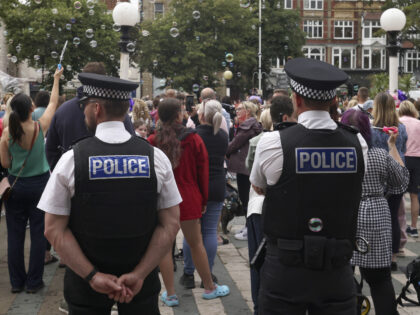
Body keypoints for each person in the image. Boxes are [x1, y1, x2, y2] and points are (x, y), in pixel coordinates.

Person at [39, 73, 181, 315]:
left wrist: (93, 277)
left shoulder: (71, 161)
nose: (82, 113)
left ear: (96, 109)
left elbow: (53, 229)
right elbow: (171, 224)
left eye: (84, 107)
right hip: (141, 286)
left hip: (85, 288)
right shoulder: (155, 158)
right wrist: (139, 274)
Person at [250, 58, 368, 314]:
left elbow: (258, 187)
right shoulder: (358, 143)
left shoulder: (273, 143)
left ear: (297, 99)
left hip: (285, 269)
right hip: (337, 267)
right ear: (333, 100)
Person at [148, 98, 229, 306]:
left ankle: (171, 293)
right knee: (196, 243)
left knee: (165, 247)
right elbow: (202, 171)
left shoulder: (153, 140)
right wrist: (203, 198)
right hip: (190, 196)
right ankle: (210, 286)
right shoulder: (193, 139)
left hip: (164, 199)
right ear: (178, 115)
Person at [0, 67, 63, 294]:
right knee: (38, 234)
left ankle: (17, 282)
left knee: (15, 236)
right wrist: (56, 79)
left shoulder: (6, 134)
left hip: (16, 187)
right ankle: (34, 282)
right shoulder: (39, 127)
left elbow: (5, 164)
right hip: (39, 186)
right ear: (31, 109)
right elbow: (54, 104)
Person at [343, 109, 408, 315]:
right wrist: (392, 146)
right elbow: (402, 180)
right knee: (380, 280)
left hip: (345, 214)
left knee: (343, 276)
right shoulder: (379, 155)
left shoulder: (339, 156)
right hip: (376, 216)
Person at [246, 96, 295, 315]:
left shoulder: (262, 141)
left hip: (258, 207)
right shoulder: (275, 141)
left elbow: (256, 183)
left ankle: (260, 307)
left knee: (259, 263)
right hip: (272, 209)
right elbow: (258, 184)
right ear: (286, 117)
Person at [45, 62, 134, 171]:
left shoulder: (62, 111)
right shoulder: (116, 113)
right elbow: (131, 145)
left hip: (72, 174)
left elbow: (51, 150)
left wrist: (64, 173)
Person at [182, 99, 229, 290]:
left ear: (201, 115)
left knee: (191, 233)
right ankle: (207, 274)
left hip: (196, 187)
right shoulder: (223, 135)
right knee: (210, 231)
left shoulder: (193, 136)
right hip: (216, 186)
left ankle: (188, 273)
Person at [371, 92, 407, 269]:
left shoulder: (372, 130)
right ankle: (393, 257)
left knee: (378, 216)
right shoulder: (401, 128)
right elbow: (403, 148)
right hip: (399, 172)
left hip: (379, 175)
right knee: (394, 216)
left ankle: (377, 252)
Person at [227, 101, 262, 241]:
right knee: (247, 198)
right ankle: (249, 226)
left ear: (248, 111)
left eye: (240, 109)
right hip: (247, 166)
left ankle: (249, 228)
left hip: (244, 167)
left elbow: (235, 143)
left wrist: (225, 151)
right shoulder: (254, 124)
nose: (237, 111)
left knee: (246, 198)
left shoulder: (247, 126)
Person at [399, 100, 420, 238]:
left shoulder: (398, 122)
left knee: (398, 195)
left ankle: (399, 227)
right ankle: (413, 227)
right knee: (414, 195)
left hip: (402, 159)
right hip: (417, 160)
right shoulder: (419, 123)